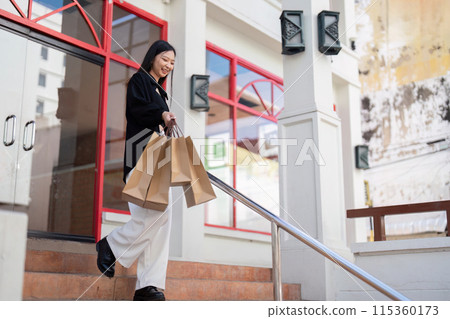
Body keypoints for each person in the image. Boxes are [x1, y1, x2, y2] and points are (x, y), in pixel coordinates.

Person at [96, 40, 177, 301]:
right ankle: (111, 244)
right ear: (153, 56)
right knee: (159, 213)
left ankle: (148, 286)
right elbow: (138, 110)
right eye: (165, 59)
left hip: (156, 160)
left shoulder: (162, 93)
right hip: (139, 156)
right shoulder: (139, 81)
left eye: (173, 63)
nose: (168, 65)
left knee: (162, 219)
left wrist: (165, 120)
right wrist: (161, 115)